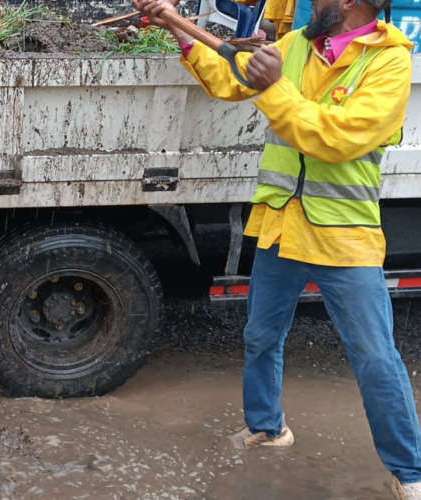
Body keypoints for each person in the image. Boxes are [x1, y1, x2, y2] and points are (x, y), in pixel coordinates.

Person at [133, 0, 421, 497]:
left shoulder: (390, 61)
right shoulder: (296, 45)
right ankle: (267, 428)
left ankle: (410, 472)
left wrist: (274, 87)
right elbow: (231, 80)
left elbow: (336, 137)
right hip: (283, 223)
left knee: (375, 356)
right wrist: (181, 33)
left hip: (343, 235)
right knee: (260, 336)